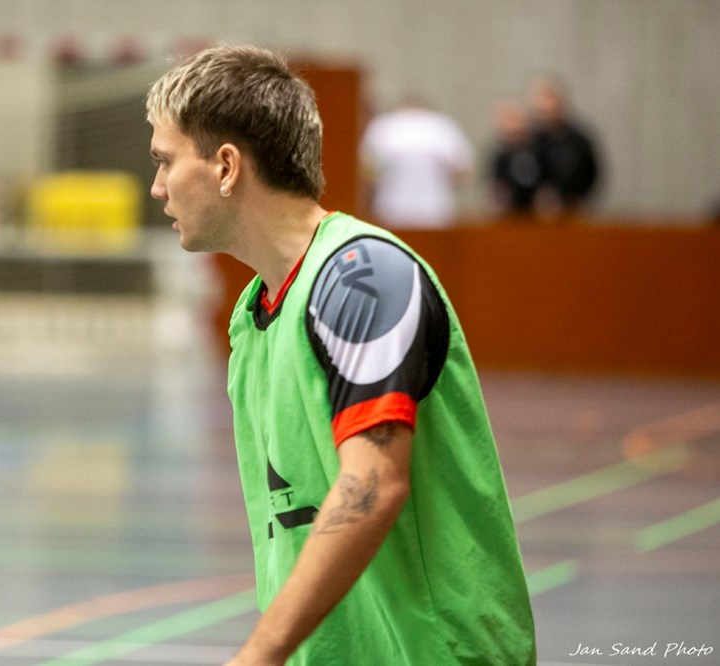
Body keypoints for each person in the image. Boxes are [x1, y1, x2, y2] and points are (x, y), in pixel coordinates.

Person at [146, 44, 535, 665]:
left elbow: (373, 482)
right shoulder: (253, 318)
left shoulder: (362, 277)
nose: (157, 186)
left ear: (226, 166)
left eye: (166, 161)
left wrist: (257, 655)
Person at [359, 94, 474, 229]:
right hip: (431, 206)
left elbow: (366, 167)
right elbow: (463, 170)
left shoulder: (385, 125)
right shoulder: (442, 126)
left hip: (397, 207)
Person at [528, 75, 601, 218]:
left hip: (571, 213)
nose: (545, 105)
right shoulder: (530, 141)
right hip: (532, 216)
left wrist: (573, 199)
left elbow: (591, 175)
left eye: (550, 97)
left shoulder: (579, 141)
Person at [488, 95, 544, 216]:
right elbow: (496, 189)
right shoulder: (500, 157)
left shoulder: (540, 150)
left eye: (514, 119)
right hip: (511, 215)